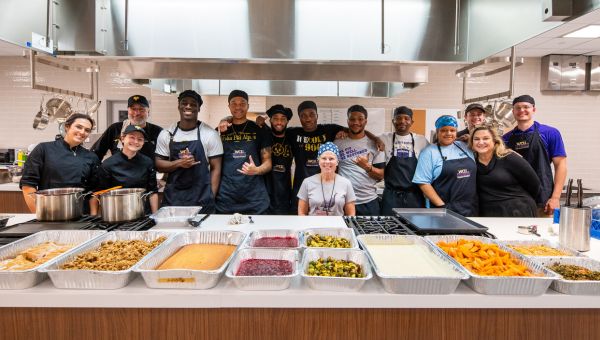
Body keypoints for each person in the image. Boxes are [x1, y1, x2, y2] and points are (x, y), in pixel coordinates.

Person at [285, 101, 384, 211]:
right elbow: (276, 131)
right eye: (303, 116)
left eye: (312, 114)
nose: (308, 119)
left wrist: (376, 139)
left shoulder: (329, 130)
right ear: (299, 118)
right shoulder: (292, 133)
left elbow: (356, 129)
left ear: (317, 116)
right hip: (301, 188)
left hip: (326, 192)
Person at [155, 90, 223, 212]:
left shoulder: (210, 134)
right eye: (184, 103)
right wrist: (179, 163)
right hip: (174, 199)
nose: (188, 106)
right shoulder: (166, 134)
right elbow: (158, 164)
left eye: (193, 104)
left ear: (199, 108)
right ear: (178, 106)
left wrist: (210, 196)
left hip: (201, 198)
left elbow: (216, 168)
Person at [20, 113, 100, 213]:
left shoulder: (91, 157)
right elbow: (28, 185)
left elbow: (93, 192)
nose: (82, 132)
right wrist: (38, 215)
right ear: (67, 127)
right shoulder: (43, 149)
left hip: (82, 216)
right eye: (78, 127)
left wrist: (92, 218)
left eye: (87, 130)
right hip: (50, 213)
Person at [503, 95, 567, 216]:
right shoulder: (505, 139)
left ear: (534, 109)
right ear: (513, 111)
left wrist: (555, 198)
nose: (522, 110)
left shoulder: (550, 133)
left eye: (526, 107)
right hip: (514, 200)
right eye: (518, 108)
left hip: (543, 199)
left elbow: (561, 165)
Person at [216, 90, 272, 214]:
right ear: (229, 106)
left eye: (242, 103)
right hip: (226, 197)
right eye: (234, 103)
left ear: (248, 106)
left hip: (255, 198)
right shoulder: (221, 130)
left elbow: (268, 162)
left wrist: (257, 170)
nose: (238, 107)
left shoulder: (259, 130)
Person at [413, 115, 478, 216]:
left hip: (470, 207)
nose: (448, 133)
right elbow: (423, 182)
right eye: (444, 130)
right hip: (444, 210)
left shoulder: (465, 146)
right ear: (437, 132)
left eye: (452, 130)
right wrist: (441, 207)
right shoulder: (429, 152)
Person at [470, 125, 540, 217]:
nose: (481, 142)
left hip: (518, 211)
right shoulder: (471, 162)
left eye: (486, 138)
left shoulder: (509, 157)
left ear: (495, 141)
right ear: (472, 142)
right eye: (476, 139)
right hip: (490, 213)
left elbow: (534, 184)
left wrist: (519, 202)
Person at [91, 125, 159, 215]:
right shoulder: (108, 164)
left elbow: (152, 193)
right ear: (123, 138)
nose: (136, 142)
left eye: (140, 139)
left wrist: (155, 216)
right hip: (116, 213)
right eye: (132, 137)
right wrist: (94, 217)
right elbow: (97, 194)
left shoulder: (148, 162)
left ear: (143, 143)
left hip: (141, 212)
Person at [334, 105, 385, 216]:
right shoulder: (338, 143)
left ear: (365, 121)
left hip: (369, 202)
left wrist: (367, 167)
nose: (356, 122)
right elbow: (334, 171)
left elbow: (381, 175)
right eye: (352, 119)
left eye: (360, 119)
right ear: (347, 121)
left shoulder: (375, 145)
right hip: (343, 201)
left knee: (371, 233)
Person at [379, 106, 429, 214]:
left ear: (412, 122)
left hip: (414, 196)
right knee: (389, 226)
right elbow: (365, 136)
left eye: (406, 118)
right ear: (393, 121)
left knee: (414, 228)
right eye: (398, 118)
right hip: (391, 196)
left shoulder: (421, 140)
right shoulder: (384, 138)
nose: (402, 121)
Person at [91, 95, 163, 160]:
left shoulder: (159, 132)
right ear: (128, 111)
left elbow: (165, 157)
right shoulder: (115, 129)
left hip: (148, 173)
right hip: (118, 173)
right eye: (133, 109)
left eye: (141, 109)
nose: (137, 113)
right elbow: (96, 153)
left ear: (148, 112)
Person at [297, 142, 356, 216]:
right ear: (318, 161)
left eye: (331, 159)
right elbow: (301, 213)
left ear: (337, 162)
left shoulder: (346, 183)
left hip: (337, 227)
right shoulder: (307, 182)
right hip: (313, 226)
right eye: (324, 158)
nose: (327, 162)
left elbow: (351, 214)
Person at [264, 104, 294, 214]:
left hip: (285, 193)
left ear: (287, 121)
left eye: (283, 119)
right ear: (270, 120)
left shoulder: (292, 137)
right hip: (265, 193)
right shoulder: (264, 135)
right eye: (275, 118)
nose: (279, 122)